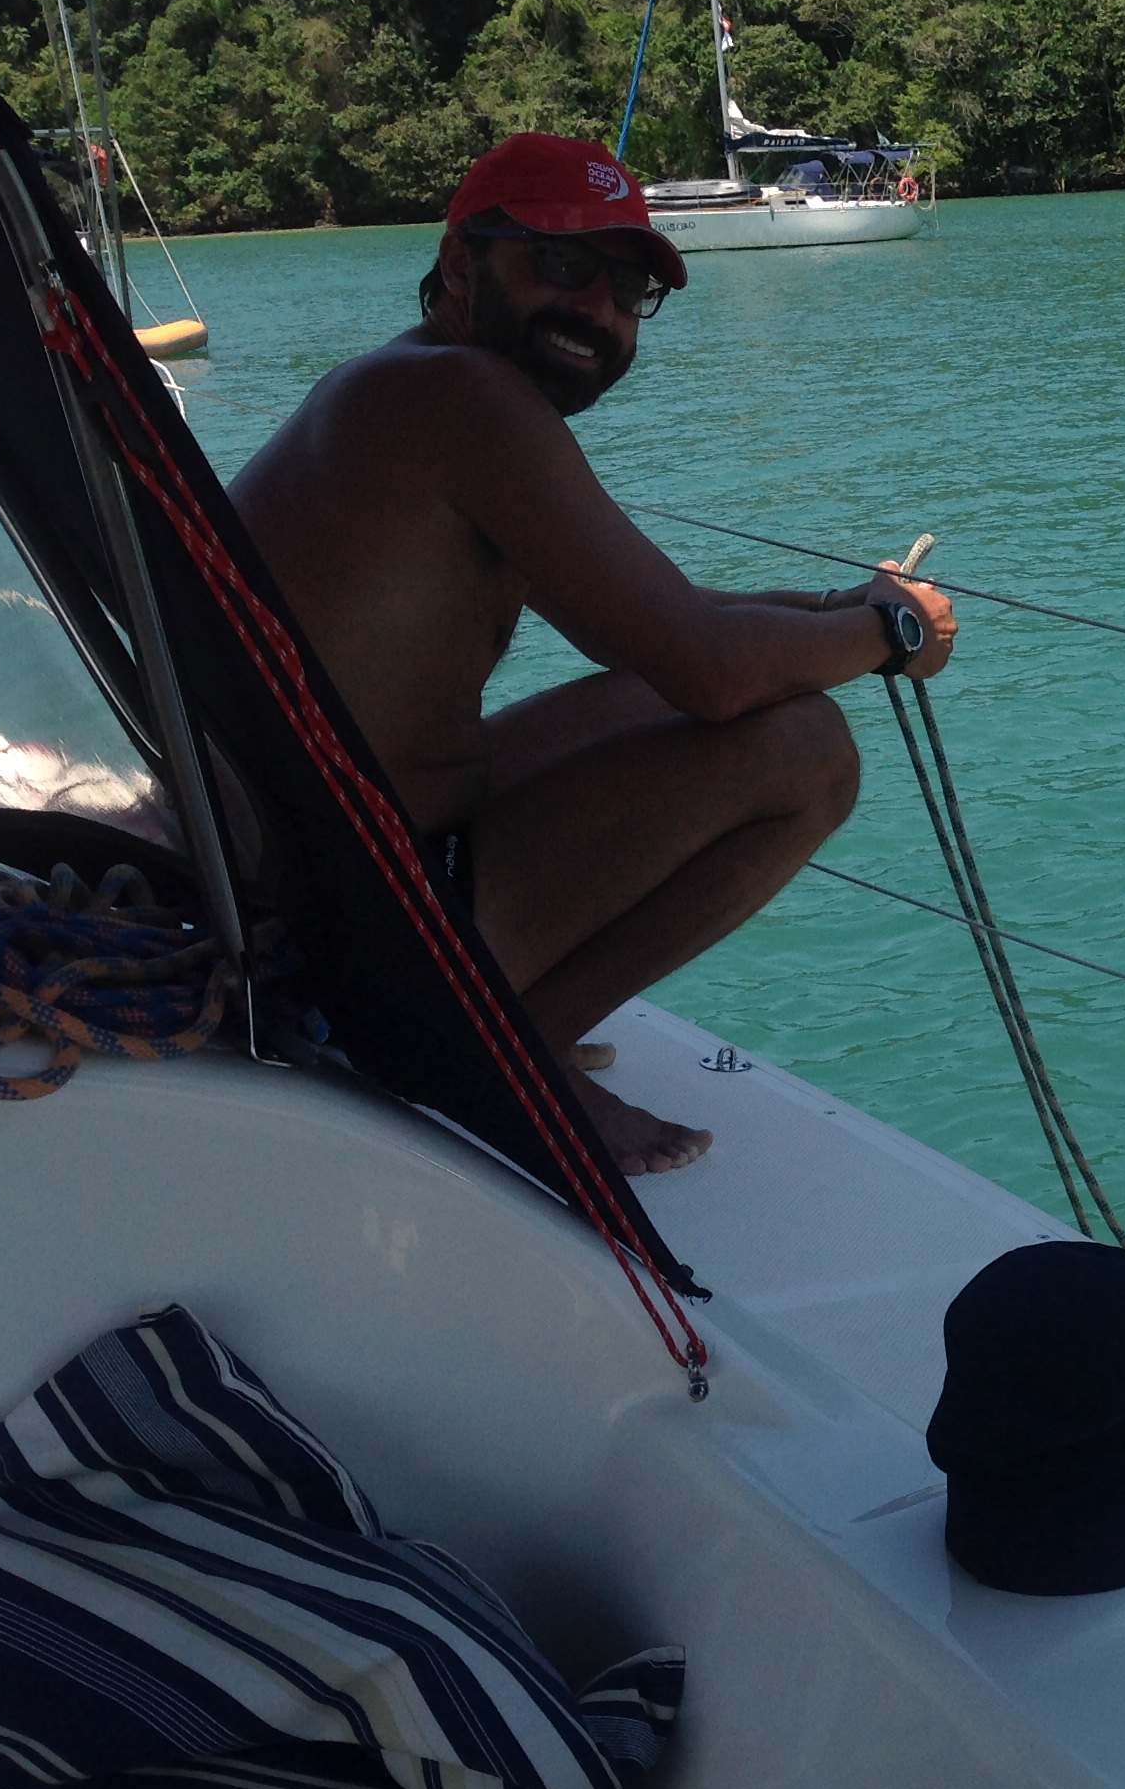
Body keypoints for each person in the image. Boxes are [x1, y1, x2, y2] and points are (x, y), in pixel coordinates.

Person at [229, 134, 956, 1175]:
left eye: (625, 290)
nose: (599, 312)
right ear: (462, 262)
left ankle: (506, 1023)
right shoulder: (467, 401)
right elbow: (710, 668)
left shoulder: (404, 386)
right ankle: (505, 1053)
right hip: (350, 934)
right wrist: (893, 634)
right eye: (564, 265)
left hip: (293, 871)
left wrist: (838, 605)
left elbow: (651, 629)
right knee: (807, 750)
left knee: (648, 696)